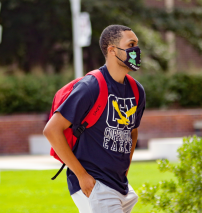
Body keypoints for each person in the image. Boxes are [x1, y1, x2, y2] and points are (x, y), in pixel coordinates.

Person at [43, 24, 146, 213]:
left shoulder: (137, 91)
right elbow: (51, 130)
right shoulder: (91, 86)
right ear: (112, 50)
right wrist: (81, 175)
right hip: (94, 184)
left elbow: (132, 131)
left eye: (136, 45)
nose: (136, 51)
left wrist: (124, 169)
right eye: (131, 45)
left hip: (120, 186)